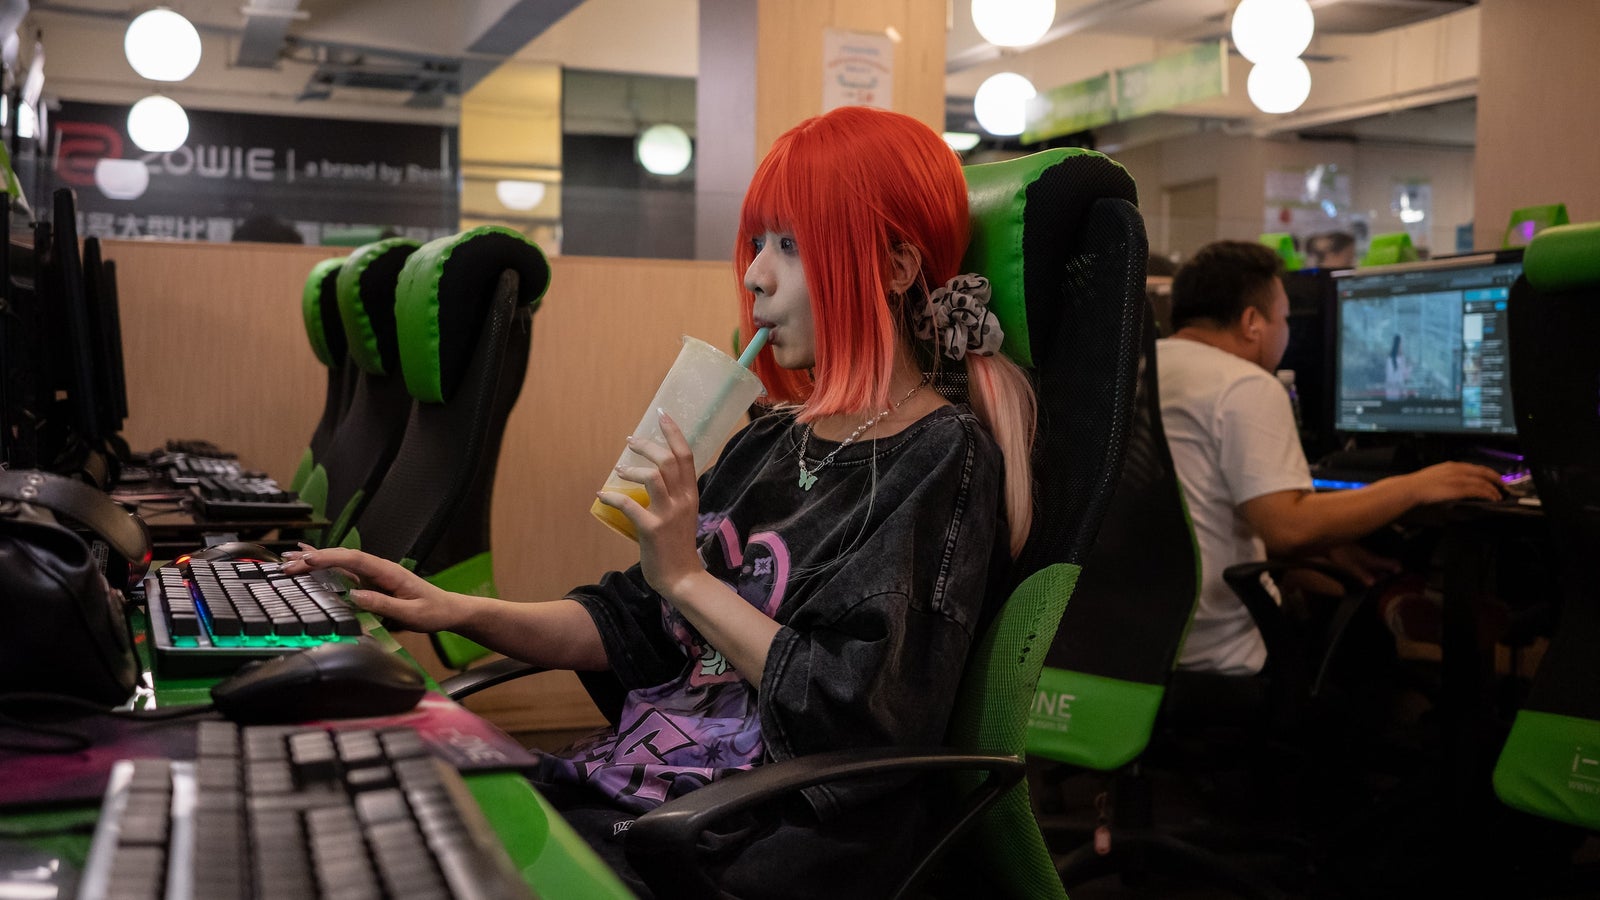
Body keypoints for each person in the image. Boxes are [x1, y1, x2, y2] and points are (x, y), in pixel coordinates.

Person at [282, 105, 1037, 897]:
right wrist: (454, 610)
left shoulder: (942, 456)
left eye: (791, 245)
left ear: (894, 267)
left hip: (748, 840)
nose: (755, 275)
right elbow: (635, 618)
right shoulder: (769, 437)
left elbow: (862, 714)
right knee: (362, 802)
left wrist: (688, 579)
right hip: (638, 796)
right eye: (757, 243)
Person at [1157, 240, 1501, 675]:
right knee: (1355, 632)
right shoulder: (1242, 383)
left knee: (1336, 574)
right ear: (1251, 323)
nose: (1287, 332)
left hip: (1137, 636)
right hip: (1219, 650)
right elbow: (1289, 529)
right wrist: (1415, 486)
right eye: (1284, 318)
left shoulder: (1134, 370)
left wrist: (1330, 547)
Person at [1384, 333, 1411, 400]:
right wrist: (1410, 367)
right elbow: (1405, 375)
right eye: (1402, 343)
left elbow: (1387, 373)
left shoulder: (1389, 357)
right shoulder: (1401, 358)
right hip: (1399, 389)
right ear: (1400, 344)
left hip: (1390, 389)